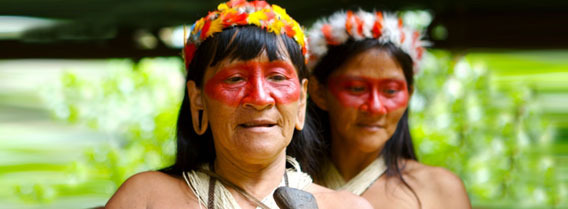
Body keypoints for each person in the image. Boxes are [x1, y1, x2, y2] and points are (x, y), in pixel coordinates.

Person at [105, 1, 372, 208]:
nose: (259, 98)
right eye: (234, 78)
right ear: (198, 99)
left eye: (278, 77)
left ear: (301, 100)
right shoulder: (145, 199)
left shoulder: (348, 207)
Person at [306, 10, 471, 208]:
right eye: (357, 88)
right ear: (318, 92)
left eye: (391, 91)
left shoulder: (440, 190)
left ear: (409, 94)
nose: (375, 107)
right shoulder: (285, 182)